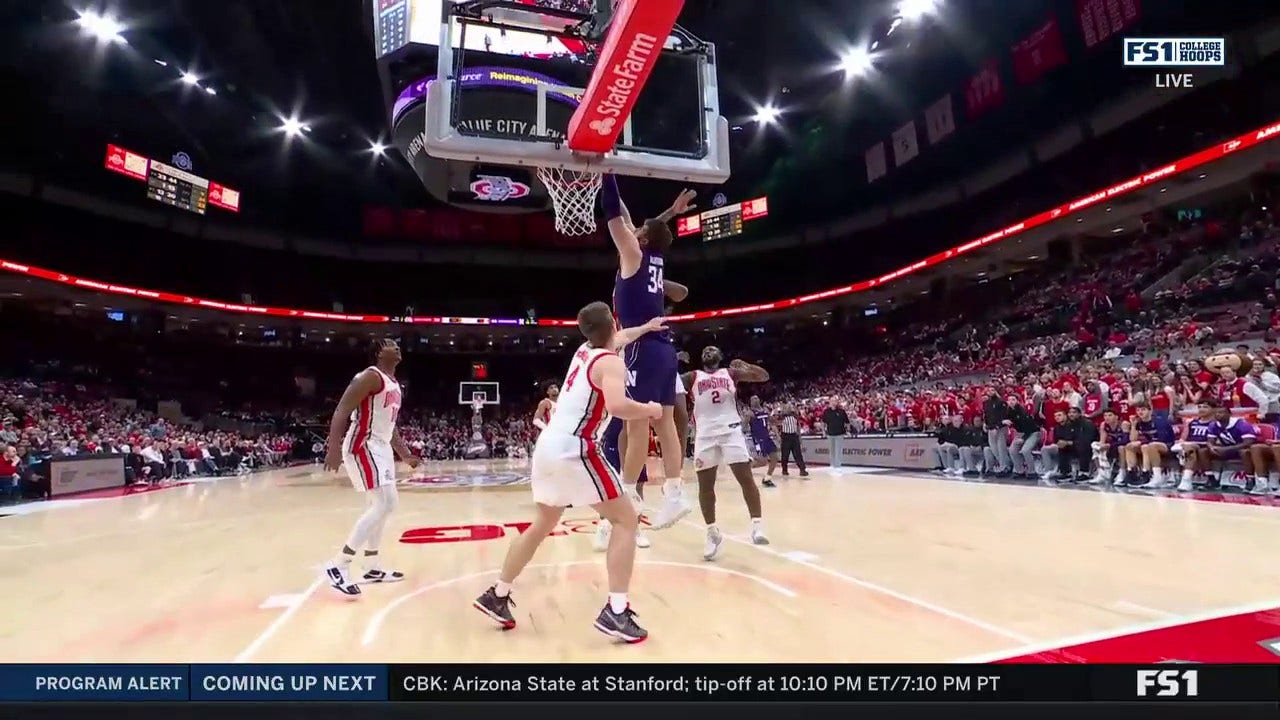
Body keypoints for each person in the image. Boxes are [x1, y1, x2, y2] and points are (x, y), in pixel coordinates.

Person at [473, 301, 663, 643]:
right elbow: (618, 406)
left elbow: (620, 337)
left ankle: (497, 594)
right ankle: (617, 612)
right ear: (613, 323)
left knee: (542, 523)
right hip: (576, 448)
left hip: (547, 446)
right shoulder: (611, 363)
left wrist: (646, 329)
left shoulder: (584, 351)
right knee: (626, 520)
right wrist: (650, 409)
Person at [601, 174, 697, 529]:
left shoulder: (632, 254)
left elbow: (615, 214)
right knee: (665, 423)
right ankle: (674, 493)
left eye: (638, 229)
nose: (635, 228)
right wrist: (670, 211)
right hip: (664, 348)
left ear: (640, 238)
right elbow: (641, 223)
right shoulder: (654, 256)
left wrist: (605, 172)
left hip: (640, 346)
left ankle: (629, 496)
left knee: (636, 425)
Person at [321, 339, 419, 597]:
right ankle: (339, 564)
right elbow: (342, 410)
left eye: (398, 344)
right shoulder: (369, 376)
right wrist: (333, 448)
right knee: (384, 503)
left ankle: (372, 565)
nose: (397, 346)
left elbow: (390, 426)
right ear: (378, 353)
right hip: (363, 444)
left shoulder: (394, 384)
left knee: (384, 504)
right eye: (390, 344)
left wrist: (405, 454)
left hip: (381, 447)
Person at [681, 348, 771, 560]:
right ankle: (712, 533)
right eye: (705, 350)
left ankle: (757, 526)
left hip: (731, 431)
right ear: (701, 358)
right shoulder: (693, 376)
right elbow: (668, 380)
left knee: (746, 479)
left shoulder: (730, 373)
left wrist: (746, 366)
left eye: (712, 349)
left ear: (720, 358)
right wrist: (673, 359)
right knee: (705, 487)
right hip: (705, 435)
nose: (708, 351)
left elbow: (763, 376)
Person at [1128, 404, 1176, 488]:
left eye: (1143, 409)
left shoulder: (1159, 421)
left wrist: (1142, 442)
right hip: (1150, 444)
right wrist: (1133, 425)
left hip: (1167, 444)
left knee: (1148, 446)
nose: (1140, 412)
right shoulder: (1139, 423)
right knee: (1130, 446)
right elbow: (1133, 439)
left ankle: (1150, 475)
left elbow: (1162, 438)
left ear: (1150, 411)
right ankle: (1131, 474)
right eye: (1138, 410)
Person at [1172, 400, 1216, 491]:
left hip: (1205, 446)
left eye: (1205, 407)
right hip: (1190, 446)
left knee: (1188, 447)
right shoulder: (1192, 422)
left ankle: (1186, 480)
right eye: (1199, 407)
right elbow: (1183, 438)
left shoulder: (1215, 423)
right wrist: (1180, 442)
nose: (1201, 409)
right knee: (1183, 447)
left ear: (1213, 409)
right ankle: (1181, 478)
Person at [747, 395, 781, 486]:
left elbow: (772, 423)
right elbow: (744, 425)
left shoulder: (765, 411)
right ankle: (745, 469)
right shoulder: (750, 413)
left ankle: (767, 478)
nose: (755, 400)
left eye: (756, 398)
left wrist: (777, 435)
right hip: (758, 439)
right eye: (753, 399)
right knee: (762, 461)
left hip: (767, 437)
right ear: (750, 402)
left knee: (775, 458)